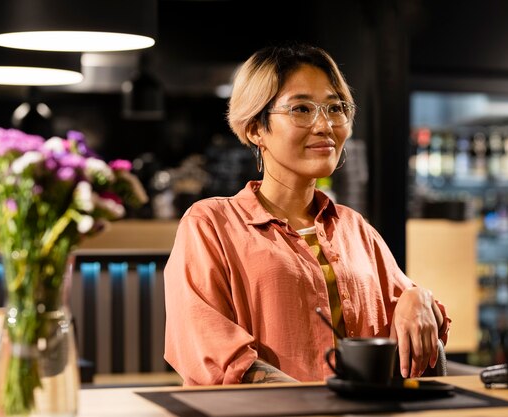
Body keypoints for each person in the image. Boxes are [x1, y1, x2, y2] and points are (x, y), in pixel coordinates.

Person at [164, 43, 451, 385]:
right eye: (301, 109)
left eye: (335, 108)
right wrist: (312, 405)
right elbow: (212, 352)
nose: (325, 125)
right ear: (256, 128)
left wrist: (418, 298)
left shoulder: (354, 228)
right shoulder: (211, 224)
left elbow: (415, 329)